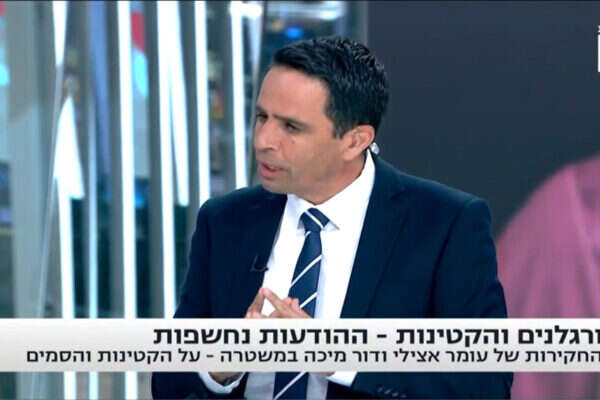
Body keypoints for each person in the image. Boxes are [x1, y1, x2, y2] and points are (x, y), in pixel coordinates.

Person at [152, 36, 511, 399]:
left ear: (355, 141)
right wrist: (219, 364)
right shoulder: (225, 221)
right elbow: (168, 384)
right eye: (262, 117)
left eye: (291, 127)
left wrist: (338, 355)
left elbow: (485, 384)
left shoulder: (444, 226)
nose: (263, 140)